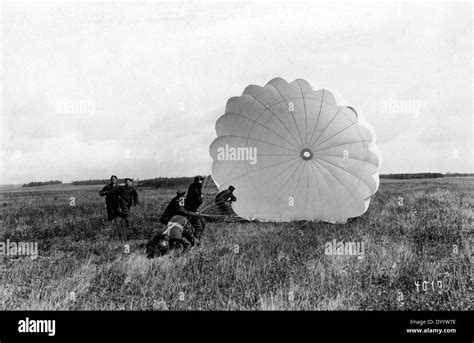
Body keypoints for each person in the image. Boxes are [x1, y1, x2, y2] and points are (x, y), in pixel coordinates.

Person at [184, 176, 206, 241]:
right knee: (199, 227)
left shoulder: (193, 187)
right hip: (191, 210)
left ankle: (198, 239)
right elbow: (200, 201)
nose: (200, 184)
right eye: (199, 183)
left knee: (203, 224)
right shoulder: (195, 190)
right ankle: (195, 242)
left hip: (193, 209)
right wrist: (201, 197)